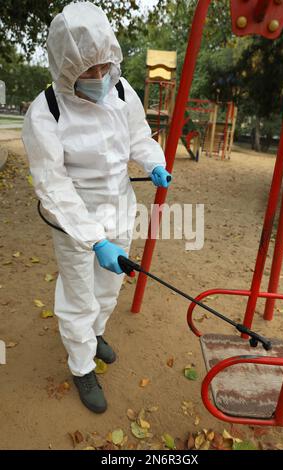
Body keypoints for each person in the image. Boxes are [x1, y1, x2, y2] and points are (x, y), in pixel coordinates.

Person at [22, 1, 172, 414]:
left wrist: (154, 162)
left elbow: (139, 136)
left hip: (120, 208)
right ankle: (81, 363)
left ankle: (96, 333)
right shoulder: (46, 112)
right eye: (88, 71)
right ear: (66, 67)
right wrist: (93, 240)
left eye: (104, 66)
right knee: (78, 294)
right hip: (73, 220)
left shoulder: (122, 90)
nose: (99, 77)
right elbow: (53, 186)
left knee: (110, 286)